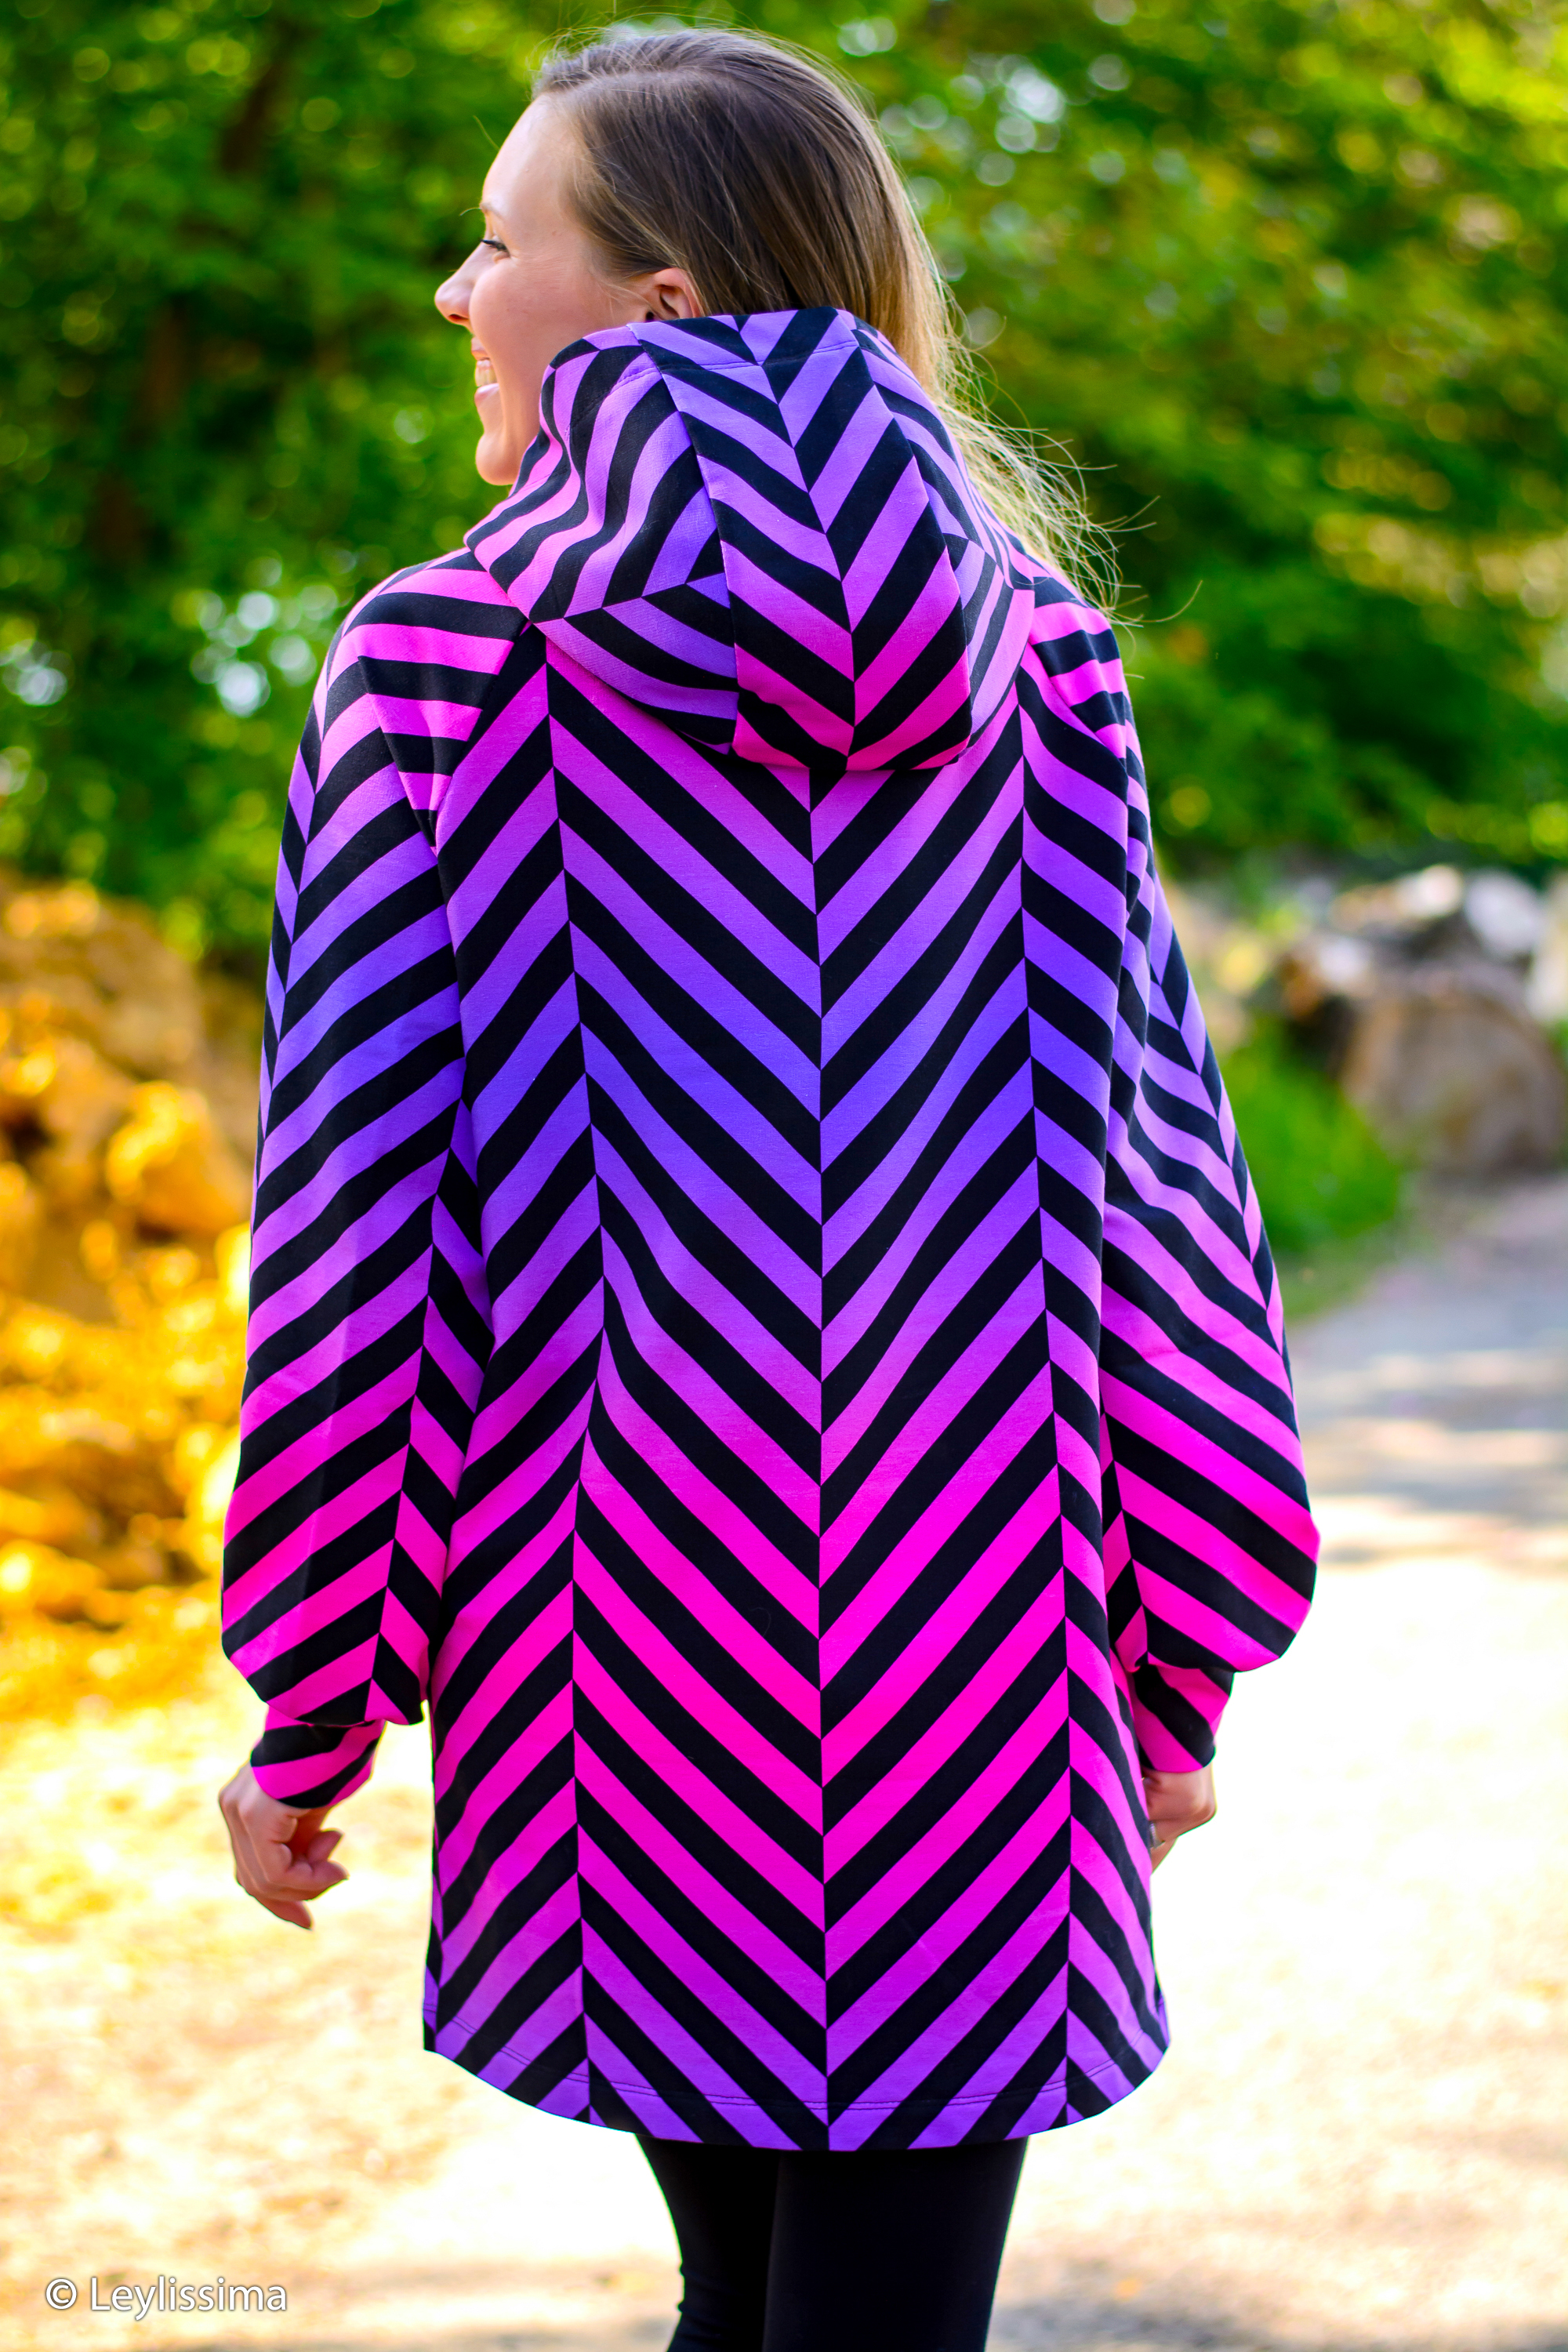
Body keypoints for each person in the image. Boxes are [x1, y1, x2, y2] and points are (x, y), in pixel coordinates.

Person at [217, 31, 1317, 2352]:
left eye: (499, 241)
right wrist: (1182, 1650)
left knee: (748, 2303)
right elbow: (1154, 1199)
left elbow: (352, 1245)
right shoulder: (1039, 659)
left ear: (659, 302)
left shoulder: (438, 664)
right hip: (987, 1656)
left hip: (616, 1670)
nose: (456, 292)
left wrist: (312, 1700)